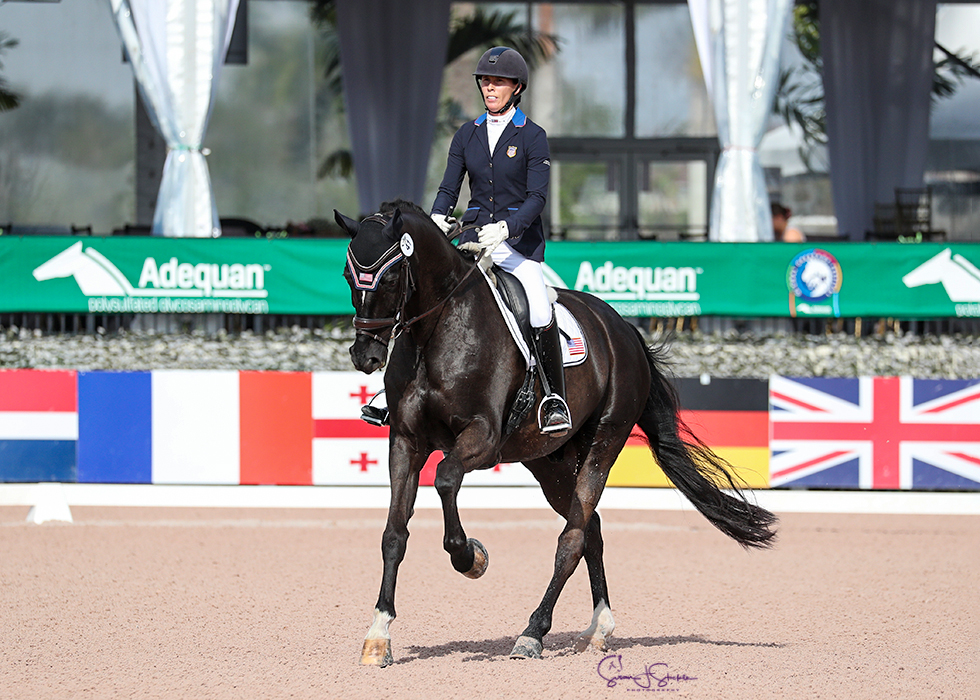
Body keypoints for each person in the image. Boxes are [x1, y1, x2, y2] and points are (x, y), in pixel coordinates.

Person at [430, 46, 571, 436]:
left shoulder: (533, 137)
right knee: (427, 294)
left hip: (516, 247)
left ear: (517, 87)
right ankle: (397, 391)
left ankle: (553, 399)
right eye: (486, 81)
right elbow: (448, 188)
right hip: (473, 242)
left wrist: (508, 229)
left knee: (540, 310)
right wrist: (437, 217)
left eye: (498, 82)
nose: (490, 88)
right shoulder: (467, 134)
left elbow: (537, 199)